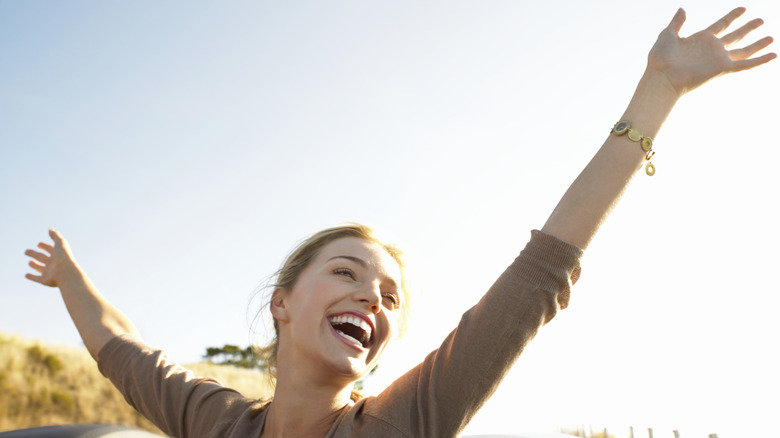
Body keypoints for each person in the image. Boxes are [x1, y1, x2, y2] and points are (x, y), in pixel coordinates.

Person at [24, 7, 775, 438]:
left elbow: (540, 274)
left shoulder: (405, 422)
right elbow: (120, 350)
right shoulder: (216, 422)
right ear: (282, 302)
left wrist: (658, 93)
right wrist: (68, 277)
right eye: (347, 273)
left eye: (389, 297)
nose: (373, 300)